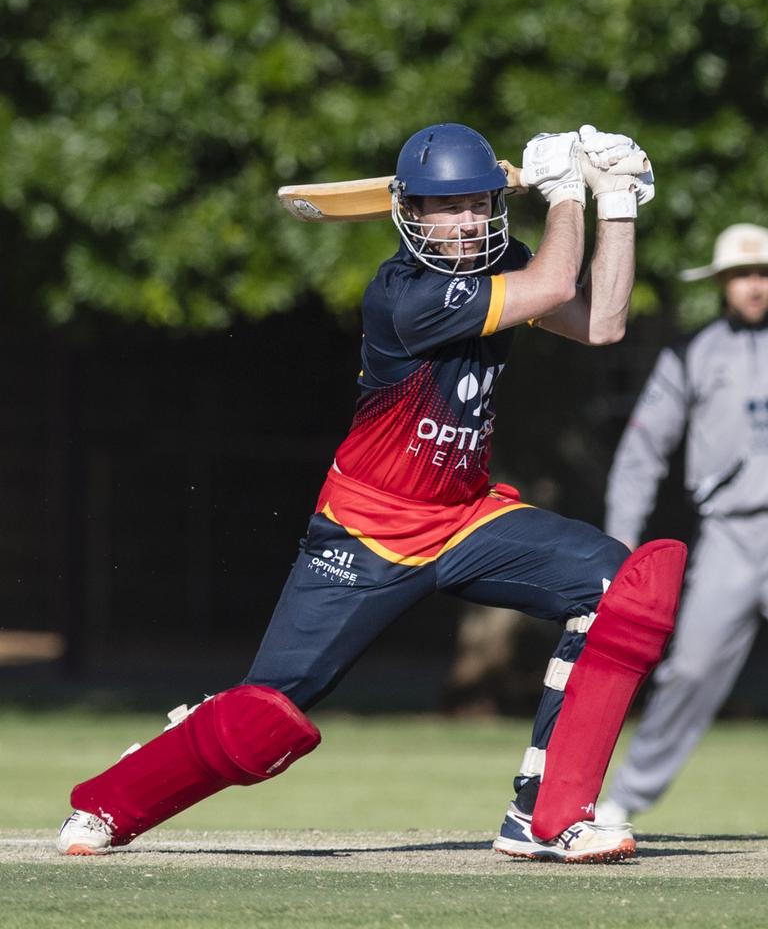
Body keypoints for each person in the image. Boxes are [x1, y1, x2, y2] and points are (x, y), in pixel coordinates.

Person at [57, 122, 685, 865]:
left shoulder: (500, 265)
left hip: (465, 516)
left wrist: (615, 203)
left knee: (626, 590)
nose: (469, 221)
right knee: (265, 718)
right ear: (409, 214)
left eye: (480, 202)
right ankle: (110, 802)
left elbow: (604, 324)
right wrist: (564, 192)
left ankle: (549, 817)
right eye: (446, 208)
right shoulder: (405, 297)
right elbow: (554, 284)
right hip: (367, 530)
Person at [596, 223, 768, 827]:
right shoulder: (690, 354)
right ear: (722, 284)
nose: (755, 285)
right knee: (689, 670)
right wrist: (622, 540)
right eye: (743, 275)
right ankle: (625, 801)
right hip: (730, 535)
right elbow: (642, 454)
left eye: (764, 274)